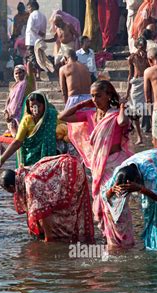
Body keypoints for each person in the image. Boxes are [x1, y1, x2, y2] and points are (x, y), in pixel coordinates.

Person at [59, 80, 133, 249]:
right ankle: (111, 241)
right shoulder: (89, 114)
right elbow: (62, 117)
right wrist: (82, 104)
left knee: (115, 204)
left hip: (115, 165)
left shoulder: (115, 114)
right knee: (102, 206)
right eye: (92, 96)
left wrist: (121, 107)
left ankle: (125, 241)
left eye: (98, 95)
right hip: (99, 166)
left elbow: (122, 122)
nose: (95, 99)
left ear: (108, 95)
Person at [103, 148, 157, 250]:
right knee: (149, 208)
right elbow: (104, 195)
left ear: (138, 180)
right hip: (152, 161)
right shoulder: (120, 172)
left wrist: (140, 189)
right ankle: (153, 241)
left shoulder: (153, 174)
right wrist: (112, 190)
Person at [0, 154, 94, 242]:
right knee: (52, 209)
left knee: (65, 209)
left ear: (11, 187)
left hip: (70, 171)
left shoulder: (30, 184)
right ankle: (72, 236)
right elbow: (31, 206)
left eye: (8, 190)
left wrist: (48, 238)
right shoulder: (21, 175)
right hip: (67, 166)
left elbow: (43, 212)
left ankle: (71, 236)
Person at [0, 91, 57, 170]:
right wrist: (1, 160)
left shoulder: (52, 116)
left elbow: (64, 129)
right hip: (30, 161)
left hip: (49, 160)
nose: (35, 109)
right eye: (32, 106)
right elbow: (17, 142)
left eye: (38, 106)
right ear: (28, 107)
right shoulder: (27, 120)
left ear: (45, 105)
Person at [126, 37, 149, 144]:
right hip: (136, 85)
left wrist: (147, 59)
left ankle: (153, 134)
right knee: (135, 113)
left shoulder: (149, 57)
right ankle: (139, 136)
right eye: (141, 47)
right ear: (137, 47)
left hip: (146, 83)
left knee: (149, 109)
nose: (142, 50)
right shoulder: (132, 58)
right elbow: (130, 75)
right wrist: (127, 92)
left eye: (144, 47)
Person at [3, 61, 36, 136]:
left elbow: (30, 65)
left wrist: (28, 61)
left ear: (24, 73)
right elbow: (9, 99)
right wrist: (7, 110)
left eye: (20, 73)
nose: (18, 75)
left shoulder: (26, 83)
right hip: (12, 113)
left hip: (24, 110)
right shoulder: (14, 86)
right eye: (16, 73)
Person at [25, 1, 47, 80]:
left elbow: (31, 27)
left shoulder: (32, 15)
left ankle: (37, 74)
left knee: (33, 58)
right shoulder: (43, 16)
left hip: (31, 40)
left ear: (33, 7)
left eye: (29, 7)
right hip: (40, 40)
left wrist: (38, 32)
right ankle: (38, 74)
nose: (28, 9)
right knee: (39, 57)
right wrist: (41, 34)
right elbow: (44, 29)